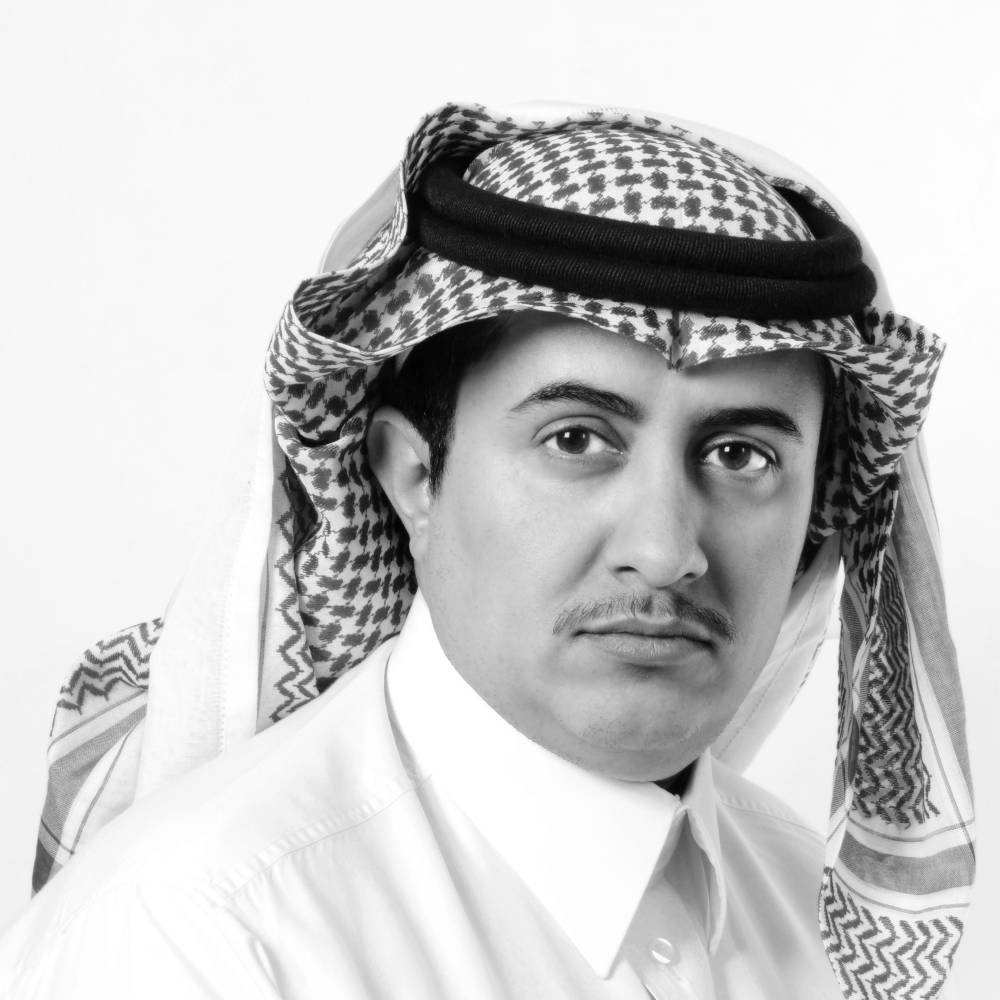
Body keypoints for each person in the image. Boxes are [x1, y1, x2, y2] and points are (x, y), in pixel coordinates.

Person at [0, 102, 974, 999]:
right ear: (412, 475)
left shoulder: (814, 921)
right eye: (577, 439)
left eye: (740, 455)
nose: (665, 549)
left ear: (816, 517)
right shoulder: (202, 941)